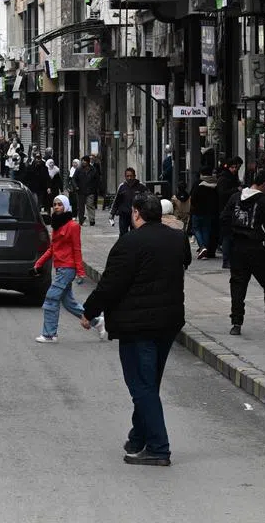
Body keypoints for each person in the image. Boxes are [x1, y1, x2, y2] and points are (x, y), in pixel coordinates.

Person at [81, 193, 191, 467]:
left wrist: (89, 311)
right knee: (149, 383)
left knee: (141, 386)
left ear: (137, 213)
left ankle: (158, 448)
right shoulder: (177, 239)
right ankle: (138, 437)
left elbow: (110, 284)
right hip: (168, 322)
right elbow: (184, 263)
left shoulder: (129, 242)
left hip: (137, 325)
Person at [220, 169, 265, 335]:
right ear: (264, 185)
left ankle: (236, 324)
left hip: (237, 248)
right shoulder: (263, 201)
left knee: (238, 285)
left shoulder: (235, 197)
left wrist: (232, 235)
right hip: (256, 248)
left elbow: (223, 218)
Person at [34, 195, 105, 343]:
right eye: (55, 204)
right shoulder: (56, 224)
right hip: (60, 268)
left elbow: (77, 249)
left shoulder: (73, 226)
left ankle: (49, 334)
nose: (56, 207)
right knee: (68, 303)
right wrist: (39, 263)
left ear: (66, 206)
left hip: (68, 269)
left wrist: (80, 272)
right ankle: (97, 321)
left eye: (60, 204)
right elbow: (52, 248)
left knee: (51, 298)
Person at [215, 157, 244, 268]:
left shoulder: (232, 177)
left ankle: (230, 259)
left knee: (231, 236)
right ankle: (226, 260)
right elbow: (222, 193)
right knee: (227, 236)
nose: (235, 169)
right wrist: (237, 189)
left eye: (237, 167)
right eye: (233, 167)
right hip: (226, 211)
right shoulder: (224, 178)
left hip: (232, 210)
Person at [189, 167, 220, 260]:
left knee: (196, 229)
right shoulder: (215, 183)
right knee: (206, 230)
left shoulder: (198, 183)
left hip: (197, 211)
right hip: (209, 211)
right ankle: (205, 252)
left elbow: (193, 197)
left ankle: (202, 247)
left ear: (201, 174)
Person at [109, 168, 146, 236]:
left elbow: (146, 200)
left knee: (135, 235)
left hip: (136, 216)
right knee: (123, 234)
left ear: (135, 176)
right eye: (127, 176)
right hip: (124, 215)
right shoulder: (122, 186)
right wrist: (112, 213)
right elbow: (116, 201)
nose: (129, 178)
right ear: (125, 177)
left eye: (131, 176)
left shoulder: (141, 187)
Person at [73, 154, 100, 226]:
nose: (83, 162)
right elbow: (74, 179)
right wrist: (76, 186)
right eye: (82, 161)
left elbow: (97, 180)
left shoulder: (93, 169)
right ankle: (81, 220)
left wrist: (94, 188)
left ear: (87, 162)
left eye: (84, 161)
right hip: (80, 191)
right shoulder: (79, 169)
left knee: (90, 205)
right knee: (81, 207)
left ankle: (92, 220)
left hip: (90, 191)